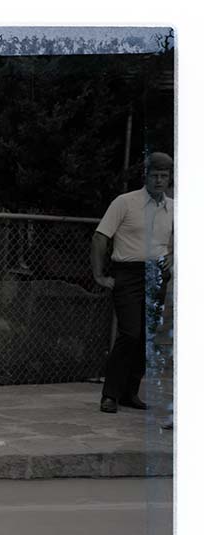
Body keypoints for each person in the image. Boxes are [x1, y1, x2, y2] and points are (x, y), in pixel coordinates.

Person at [91, 152, 174, 414]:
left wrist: (174, 256)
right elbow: (100, 238)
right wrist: (99, 275)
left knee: (146, 336)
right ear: (145, 176)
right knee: (130, 333)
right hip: (127, 273)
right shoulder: (125, 202)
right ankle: (110, 395)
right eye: (155, 175)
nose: (159, 180)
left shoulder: (175, 207)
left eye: (164, 176)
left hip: (157, 274)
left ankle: (129, 392)